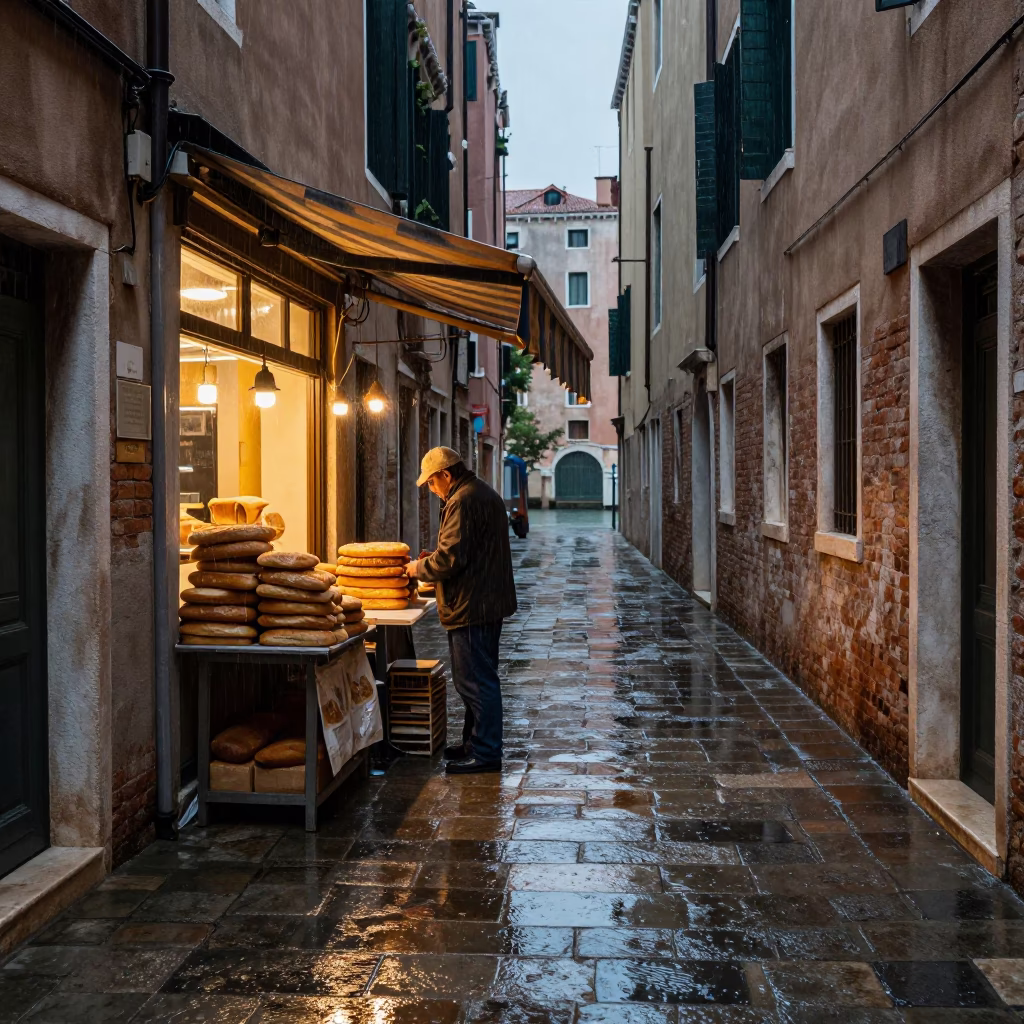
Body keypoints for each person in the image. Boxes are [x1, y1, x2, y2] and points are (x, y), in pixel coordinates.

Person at [406, 446, 516, 774]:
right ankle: (474, 743)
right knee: (476, 679)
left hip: (472, 604)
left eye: (431, 482)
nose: (430, 488)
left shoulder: (463, 499)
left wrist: (416, 568)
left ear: (446, 475)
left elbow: (451, 558)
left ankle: (485, 753)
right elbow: (465, 549)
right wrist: (431, 561)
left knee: (475, 681)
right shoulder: (477, 492)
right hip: (483, 600)